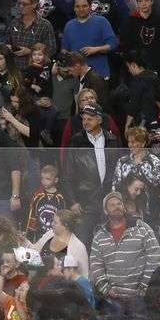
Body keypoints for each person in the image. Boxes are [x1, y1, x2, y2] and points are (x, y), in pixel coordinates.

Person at [89, 191, 160, 320]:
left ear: (124, 207)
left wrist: (143, 287)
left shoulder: (142, 228)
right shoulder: (99, 236)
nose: (116, 207)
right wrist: (106, 289)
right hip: (112, 301)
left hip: (139, 300)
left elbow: (155, 259)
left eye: (119, 203)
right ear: (106, 211)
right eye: (112, 205)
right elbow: (95, 265)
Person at [63, 104, 118, 242]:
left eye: (89, 119)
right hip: (85, 202)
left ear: (99, 120)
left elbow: (117, 169)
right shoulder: (76, 141)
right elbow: (67, 174)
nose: (85, 122)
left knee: (109, 242)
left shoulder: (112, 139)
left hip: (107, 200)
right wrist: (73, 202)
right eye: (84, 119)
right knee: (84, 242)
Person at [61, 0, 118, 80]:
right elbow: (64, 49)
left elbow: (113, 44)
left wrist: (96, 49)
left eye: (84, 6)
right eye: (78, 6)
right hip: (76, 77)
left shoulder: (102, 21)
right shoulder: (69, 25)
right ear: (74, 8)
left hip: (99, 75)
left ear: (90, 7)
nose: (81, 9)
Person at [33, 208, 90, 278]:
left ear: (65, 226)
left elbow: (84, 275)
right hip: (39, 282)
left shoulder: (78, 247)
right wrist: (24, 242)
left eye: (55, 222)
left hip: (62, 287)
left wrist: (61, 276)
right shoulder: (49, 234)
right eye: (52, 221)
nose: (52, 224)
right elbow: (34, 252)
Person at [8, 0, 57, 70]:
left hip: (35, 71)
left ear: (34, 4)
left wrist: (30, 52)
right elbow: (7, 43)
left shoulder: (45, 25)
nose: (21, 6)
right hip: (15, 70)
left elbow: (51, 49)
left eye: (24, 4)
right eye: (19, 3)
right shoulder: (14, 23)